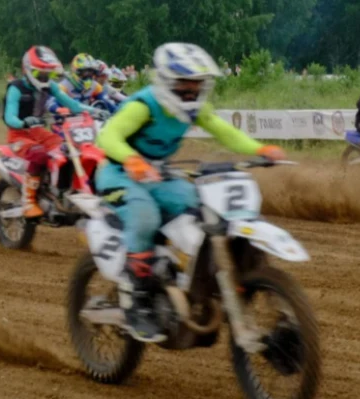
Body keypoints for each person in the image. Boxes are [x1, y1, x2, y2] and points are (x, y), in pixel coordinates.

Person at [95, 43, 285, 343]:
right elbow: (108, 136)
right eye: (185, 82)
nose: (191, 89)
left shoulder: (194, 109)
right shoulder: (143, 105)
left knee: (203, 209)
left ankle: (181, 273)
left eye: (197, 83)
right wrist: (131, 159)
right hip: (119, 173)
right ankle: (135, 298)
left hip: (157, 175)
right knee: (145, 217)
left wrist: (259, 149)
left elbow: (224, 131)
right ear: (166, 81)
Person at [3, 46, 97, 218]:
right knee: (39, 154)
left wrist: (95, 111)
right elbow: (9, 117)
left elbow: (72, 104)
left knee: (65, 151)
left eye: (48, 73)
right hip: (18, 134)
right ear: (27, 70)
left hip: (39, 132)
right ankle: (28, 201)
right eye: (40, 73)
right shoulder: (16, 88)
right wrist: (23, 122)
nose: (44, 77)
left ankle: (58, 189)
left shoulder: (50, 86)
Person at [49, 54, 116, 113]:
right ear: (77, 71)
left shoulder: (95, 86)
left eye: (91, 72)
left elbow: (108, 102)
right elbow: (51, 103)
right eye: (86, 72)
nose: (89, 75)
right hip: (67, 120)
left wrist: (116, 112)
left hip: (90, 119)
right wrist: (59, 109)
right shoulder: (64, 86)